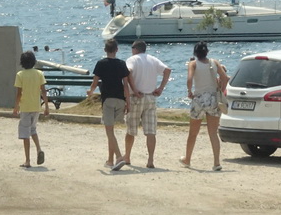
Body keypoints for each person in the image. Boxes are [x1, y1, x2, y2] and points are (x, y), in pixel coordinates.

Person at [180, 41, 229, 171]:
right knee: (213, 132)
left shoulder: (193, 64)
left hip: (199, 98)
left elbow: (189, 79)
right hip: (213, 98)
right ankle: (216, 162)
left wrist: (189, 92)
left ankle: (187, 159)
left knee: (193, 132)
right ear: (207, 52)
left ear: (195, 53)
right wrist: (221, 90)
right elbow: (225, 78)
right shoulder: (215, 62)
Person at [124, 39, 171, 169]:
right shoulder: (153, 59)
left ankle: (127, 156)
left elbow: (127, 73)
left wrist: (133, 89)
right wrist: (161, 88)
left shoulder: (132, 60)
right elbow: (167, 70)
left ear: (135, 49)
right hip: (150, 97)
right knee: (151, 131)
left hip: (136, 97)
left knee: (131, 130)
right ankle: (150, 160)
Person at [87, 39, 130, 171]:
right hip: (120, 99)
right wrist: (128, 101)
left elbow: (95, 82)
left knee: (109, 131)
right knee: (112, 131)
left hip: (108, 99)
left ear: (105, 50)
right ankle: (110, 160)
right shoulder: (122, 64)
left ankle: (119, 157)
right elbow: (126, 85)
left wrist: (91, 91)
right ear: (117, 50)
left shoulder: (101, 64)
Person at [13, 49, 49, 169]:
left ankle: (27, 160)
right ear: (34, 61)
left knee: (25, 134)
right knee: (33, 130)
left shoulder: (20, 75)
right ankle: (39, 149)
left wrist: (16, 107)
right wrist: (47, 107)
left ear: (22, 62)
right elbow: (43, 91)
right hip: (36, 107)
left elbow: (19, 93)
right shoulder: (39, 74)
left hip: (25, 107)